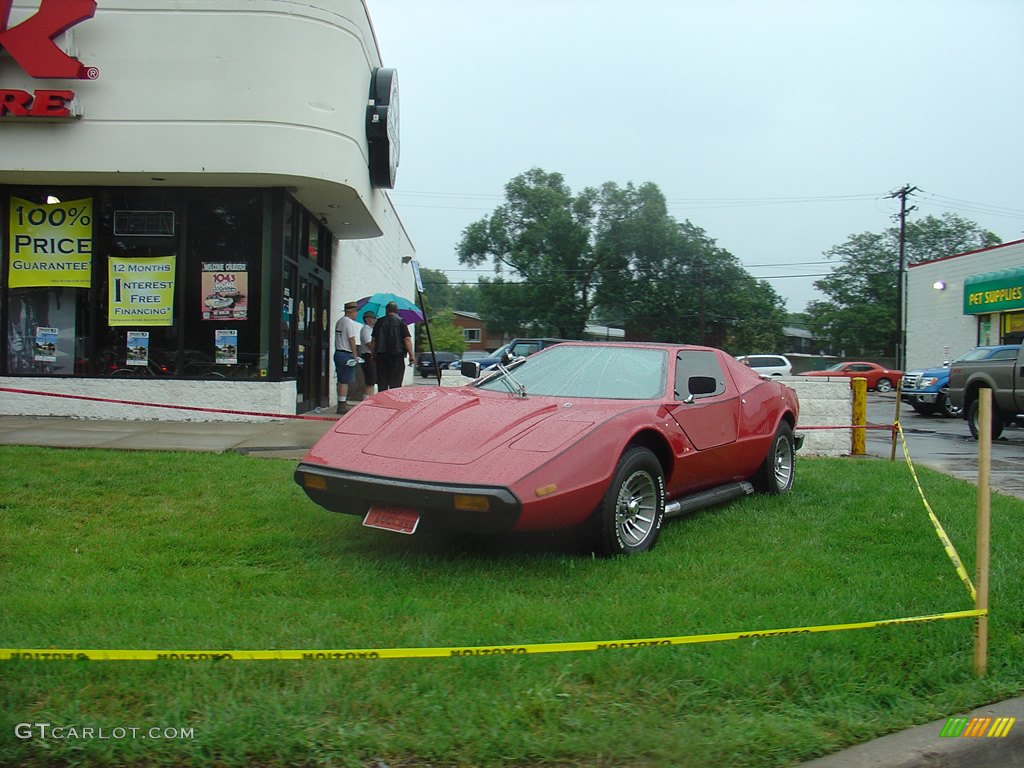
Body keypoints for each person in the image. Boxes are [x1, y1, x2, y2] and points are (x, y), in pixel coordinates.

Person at [371, 300, 414, 391]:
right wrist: (411, 355)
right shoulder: (401, 322)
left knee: (382, 382)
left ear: (386, 310)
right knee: (396, 383)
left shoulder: (379, 322)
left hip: (381, 355)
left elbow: (373, 341)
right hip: (397, 355)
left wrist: (372, 354)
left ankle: (383, 403)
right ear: (397, 311)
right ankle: (393, 403)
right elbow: (407, 339)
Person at [333, 301, 360, 414]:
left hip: (338, 352)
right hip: (346, 353)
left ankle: (342, 401)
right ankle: (342, 405)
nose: (356, 314)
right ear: (351, 312)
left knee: (341, 379)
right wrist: (355, 354)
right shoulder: (348, 322)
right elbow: (351, 339)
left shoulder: (340, 321)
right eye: (355, 312)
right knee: (345, 380)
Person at [358, 309, 377, 400]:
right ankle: (366, 399)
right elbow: (369, 344)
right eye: (372, 318)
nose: (374, 320)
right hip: (367, 355)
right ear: (367, 319)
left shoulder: (371, 330)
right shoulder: (365, 330)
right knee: (369, 380)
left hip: (372, 356)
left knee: (372, 380)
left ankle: (371, 398)